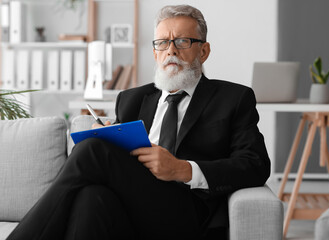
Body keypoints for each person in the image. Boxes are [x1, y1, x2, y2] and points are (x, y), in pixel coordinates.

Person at [7, 4, 270, 240]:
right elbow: (120, 168)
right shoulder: (131, 99)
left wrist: (182, 169)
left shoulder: (233, 98)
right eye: (162, 43)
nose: (171, 51)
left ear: (204, 50)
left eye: (182, 41)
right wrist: (109, 138)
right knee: (92, 198)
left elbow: (255, 165)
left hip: (188, 214)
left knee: (92, 151)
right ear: (155, 53)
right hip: (132, 211)